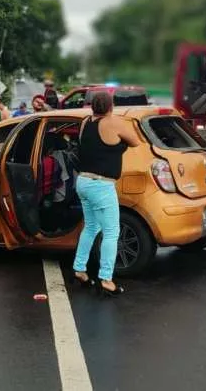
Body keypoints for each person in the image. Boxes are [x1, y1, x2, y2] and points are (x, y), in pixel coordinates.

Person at [72, 91, 140, 296]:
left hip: (83, 181)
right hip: (101, 185)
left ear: (92, 106)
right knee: (111, 232)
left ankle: (80, 269)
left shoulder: (85, 122)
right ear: (111, 107)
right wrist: (120, 145)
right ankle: (106, 279)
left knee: (91, 227)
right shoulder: (113, 122)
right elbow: (135, 141)